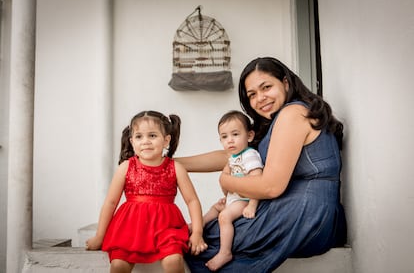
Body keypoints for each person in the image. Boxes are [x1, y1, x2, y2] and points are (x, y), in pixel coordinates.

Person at [177, 57, 347, 272]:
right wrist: (171, 163)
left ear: (285, 83)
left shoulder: (292, 113)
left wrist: (226, 180)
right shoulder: (280, 118)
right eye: (252, 94)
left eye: (266, 87)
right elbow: (232, 156)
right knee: (207, 230)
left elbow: (271, 187)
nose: (260, 98)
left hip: (306, 215)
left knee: (204, 239)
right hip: (308, 211)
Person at [86, 110, 207, 273]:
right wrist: (100, 236)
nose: (145, 142)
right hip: (130, 228)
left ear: (166, 140)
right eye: (139, 137)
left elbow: (192, 201)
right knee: (118, 265)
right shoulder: (126, 167)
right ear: (132, 141)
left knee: (174, 261)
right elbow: (110, 202)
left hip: (167, 228)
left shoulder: (176, 168)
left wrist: (197, 233)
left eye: (152, 136)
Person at [201, 110, 263, 271]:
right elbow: (227, 184)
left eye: (235, 134)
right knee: (216, 207)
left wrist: (252, 205)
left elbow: (258, 182)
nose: (230, 140)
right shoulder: (233, 157)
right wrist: (226, 198)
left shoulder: (250, 155)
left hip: (245, 200)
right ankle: (198, 224)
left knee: (224, 216)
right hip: (234, 198)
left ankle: (225, 252)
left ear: (249, 136)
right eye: (224, 137)